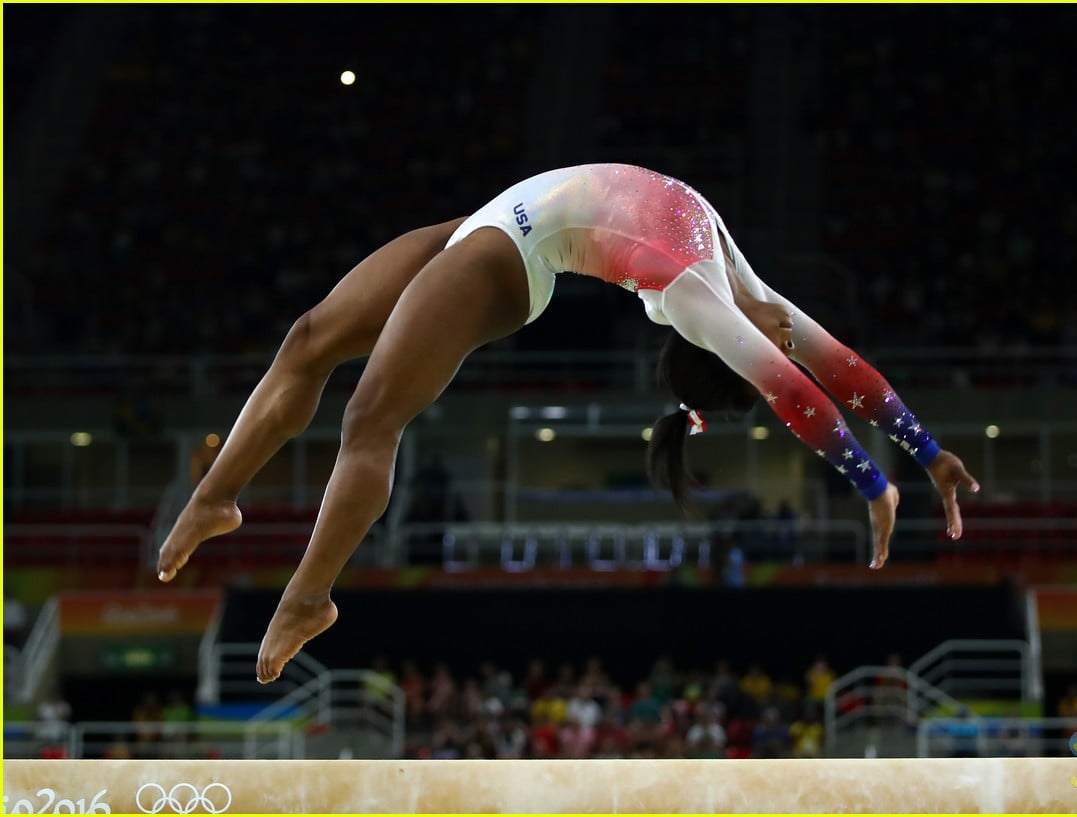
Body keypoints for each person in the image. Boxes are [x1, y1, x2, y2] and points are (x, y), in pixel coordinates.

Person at [154, 163, 980, 683]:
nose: (788, 343)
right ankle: (217, 496)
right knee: (308, 339)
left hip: (508, 258)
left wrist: (873, 481)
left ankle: (310, 595)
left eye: (767, 351)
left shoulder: (698, 299)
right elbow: (844, 370)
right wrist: (930, 451)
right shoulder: (748, 283)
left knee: (371, 414)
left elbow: (798, 395)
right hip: (490, 215)